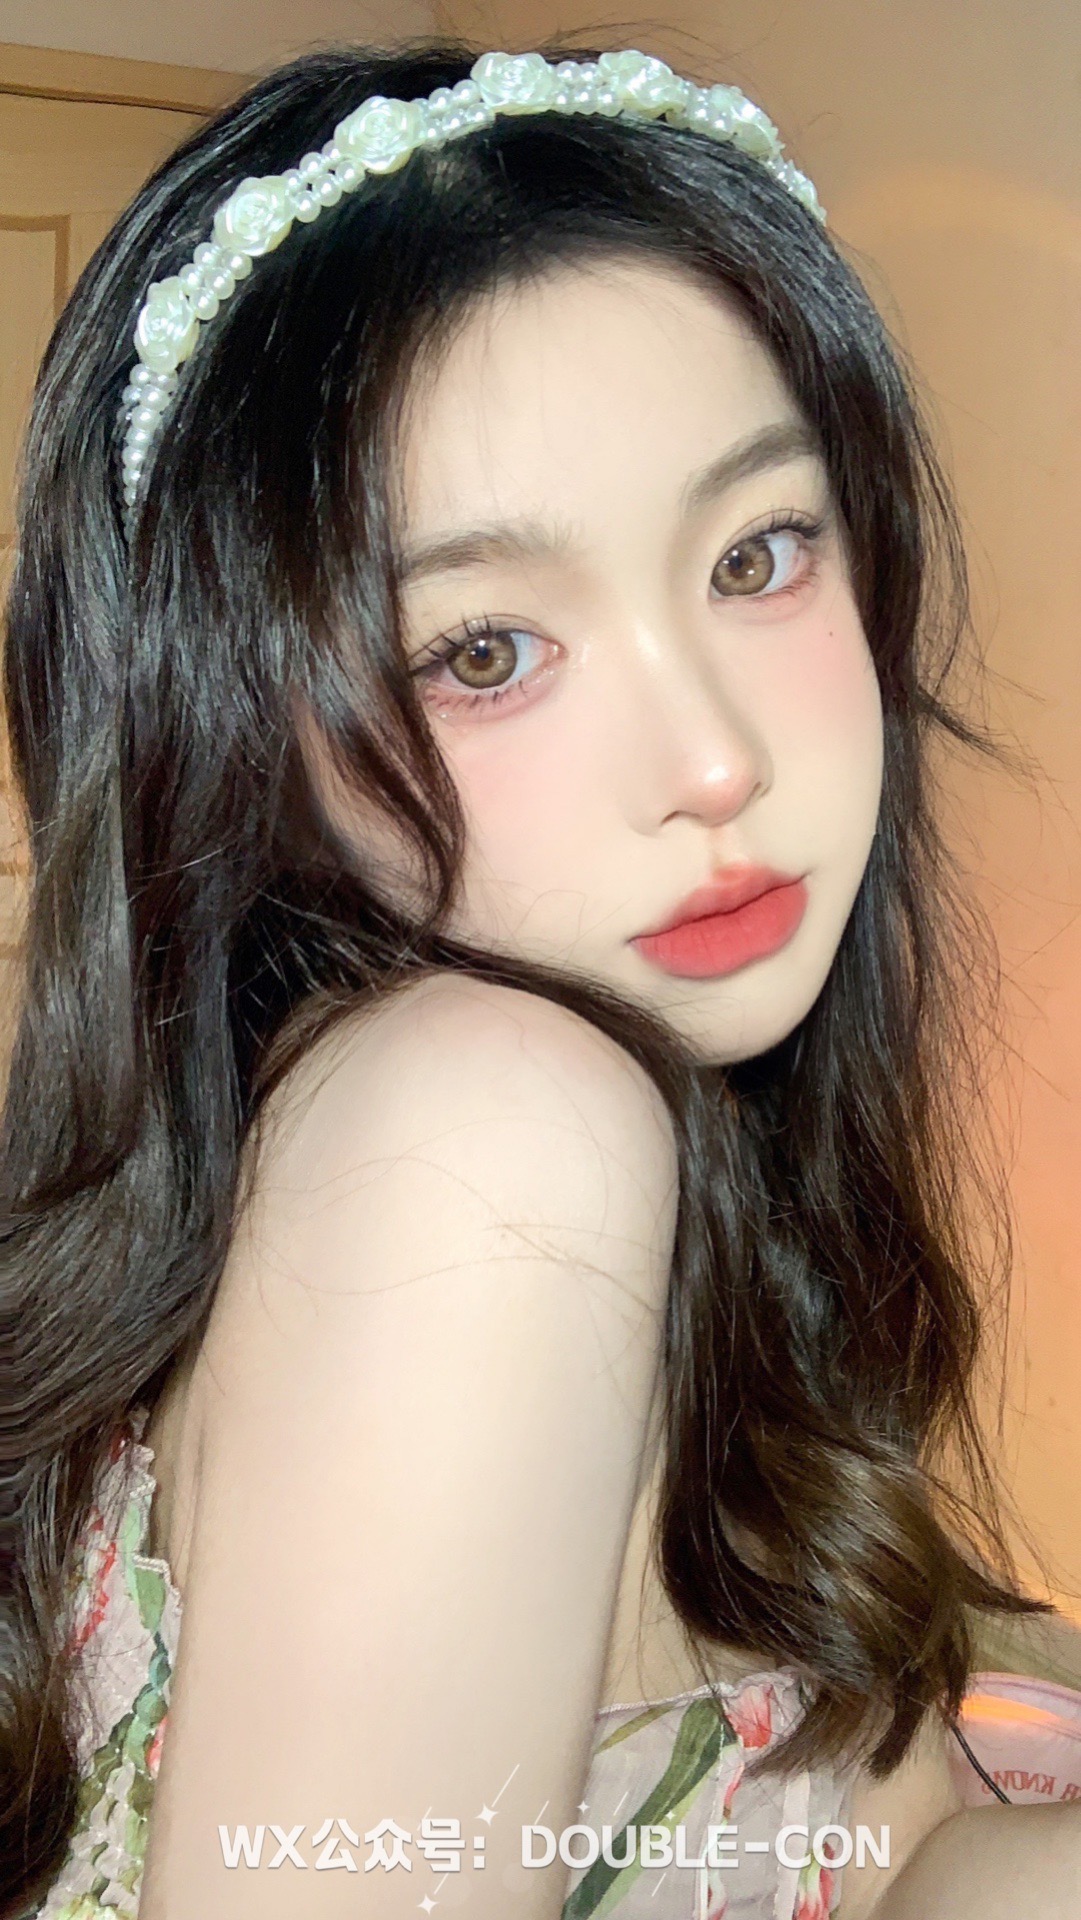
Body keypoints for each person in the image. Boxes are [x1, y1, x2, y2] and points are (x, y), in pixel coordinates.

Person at [2, 37, 1080, 1920]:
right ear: (241, 734)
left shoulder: (476, 1129)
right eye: (485, 651)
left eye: (757, 552)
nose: (718, 761)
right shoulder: (489, 1133)